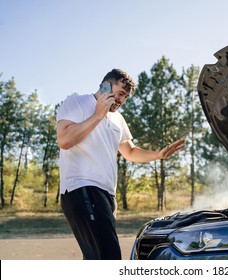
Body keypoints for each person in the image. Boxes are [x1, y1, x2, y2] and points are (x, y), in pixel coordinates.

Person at [56, 68, 185, 260]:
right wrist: (98, 115)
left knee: (97, 257)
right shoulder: (77, 102)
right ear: (105, 86)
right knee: (108, 257)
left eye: (126, 97)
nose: (122, 100)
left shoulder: (118, 119)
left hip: (107, 194)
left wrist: (158, 155)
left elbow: (130, 152)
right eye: (121, 93)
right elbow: (65, 140)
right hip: (81, 187)